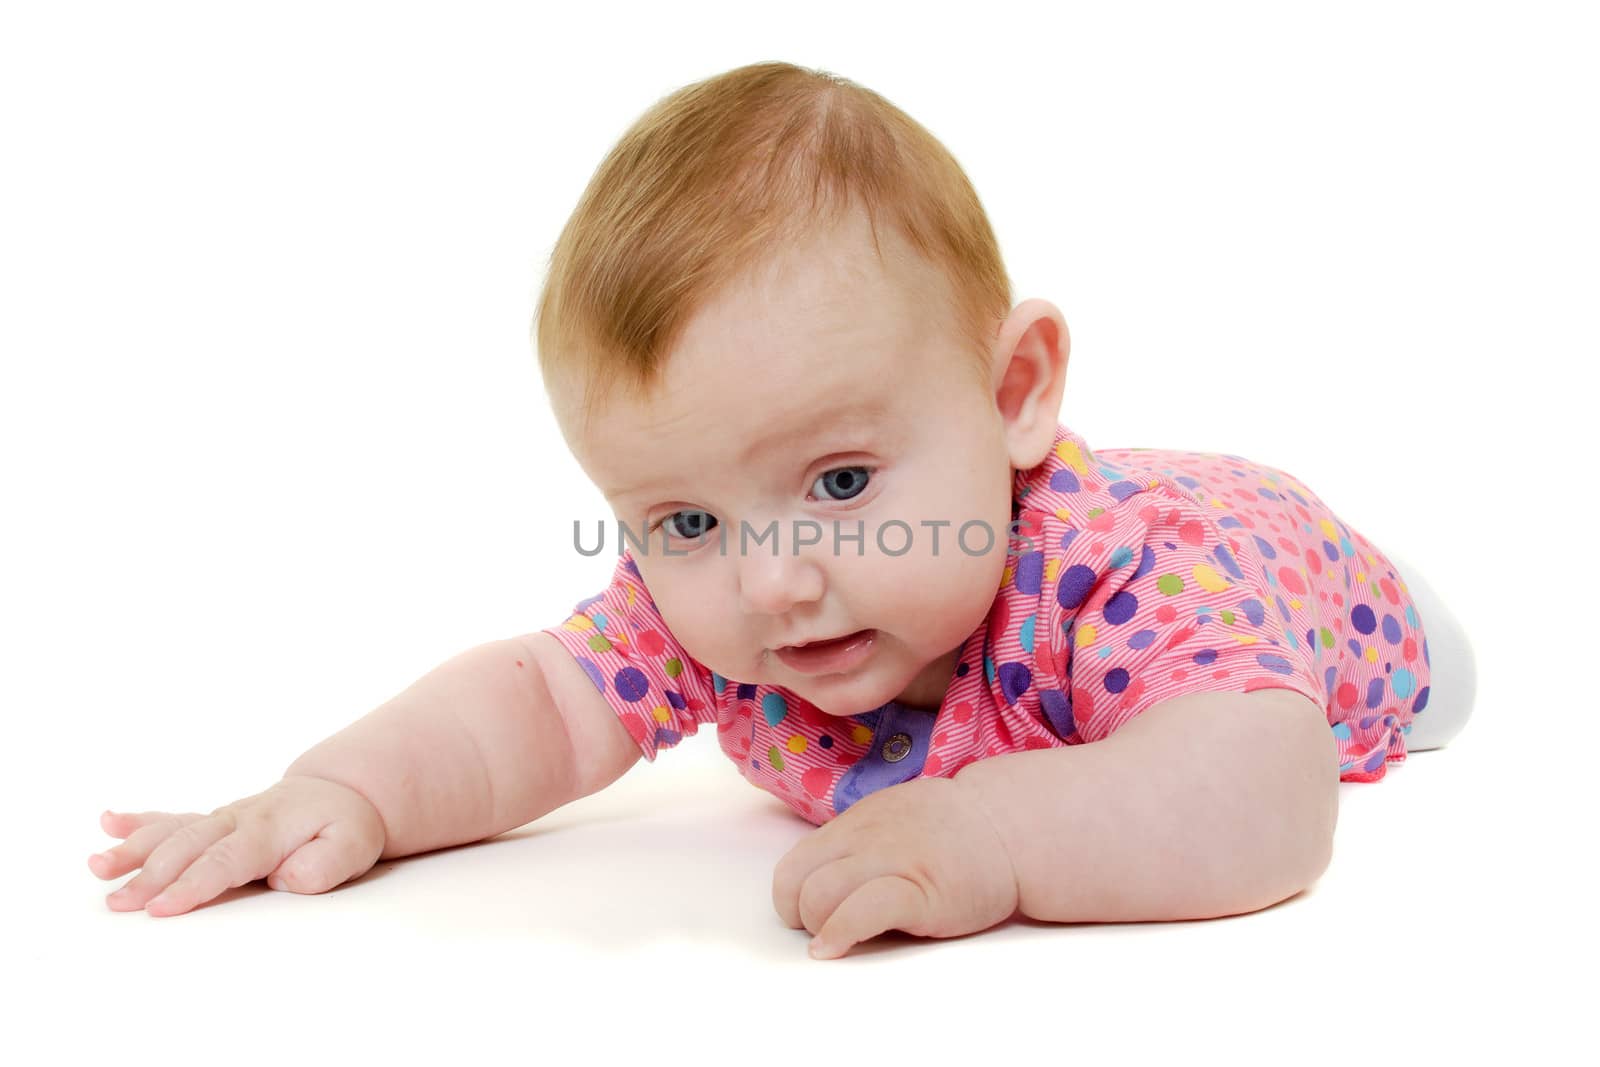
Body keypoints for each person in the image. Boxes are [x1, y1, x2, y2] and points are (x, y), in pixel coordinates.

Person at [88, 61, 1475, 958]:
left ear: (1015, 392)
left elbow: (1267, 794)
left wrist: (993, 836)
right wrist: (346, 789)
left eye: (841, 485)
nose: (770, 583)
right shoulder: (716, 606)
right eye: (683, 521)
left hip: (1314, 581)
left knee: (1442, 686)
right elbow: (538, 702)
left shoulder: (1132, 576)